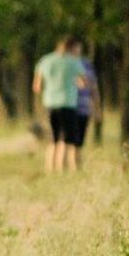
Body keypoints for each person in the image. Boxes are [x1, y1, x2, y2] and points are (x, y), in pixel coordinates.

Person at [32, 35, 86, 172]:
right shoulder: (74, 62)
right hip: (68, 103)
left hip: (50, 103)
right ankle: (65, 169)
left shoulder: (45, 60)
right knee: (68, 140)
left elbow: (36, 87)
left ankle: (50, 169)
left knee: (53, 139)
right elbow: (83, 83)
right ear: (71, 48)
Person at [73, 40, 100, 169]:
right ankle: (70, 167)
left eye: (77, 48)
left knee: (79, 141)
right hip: (69, 107)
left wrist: (96, 107)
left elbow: (93, 87)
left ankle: (76, 166)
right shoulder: (64, 65)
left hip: (84, 107)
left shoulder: (87, 65)